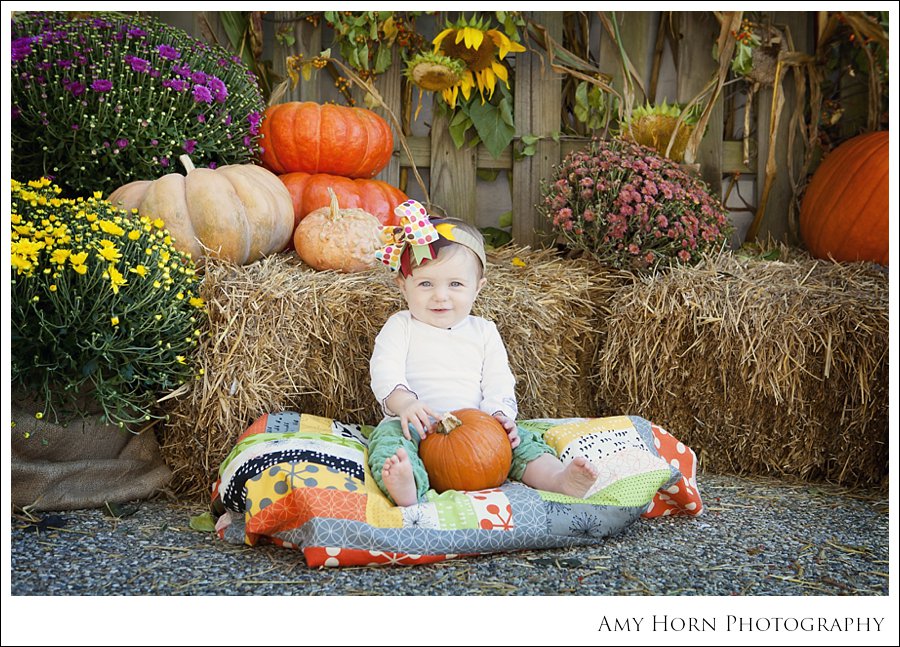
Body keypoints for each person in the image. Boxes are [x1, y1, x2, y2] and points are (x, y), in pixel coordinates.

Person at [368, 199, 598, 506]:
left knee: (522, 442)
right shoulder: (401, 326)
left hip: (477, 428)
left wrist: (500, 415)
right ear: (403, 285)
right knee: (389, 445)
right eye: (425, 283)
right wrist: (404, 402)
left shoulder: (484, 331)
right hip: (415, 425)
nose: (440, 296)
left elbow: (498, 381)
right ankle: (408, 486)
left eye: (455, 284)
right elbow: (385, 371)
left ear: (478, 287)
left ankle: (558, 478)